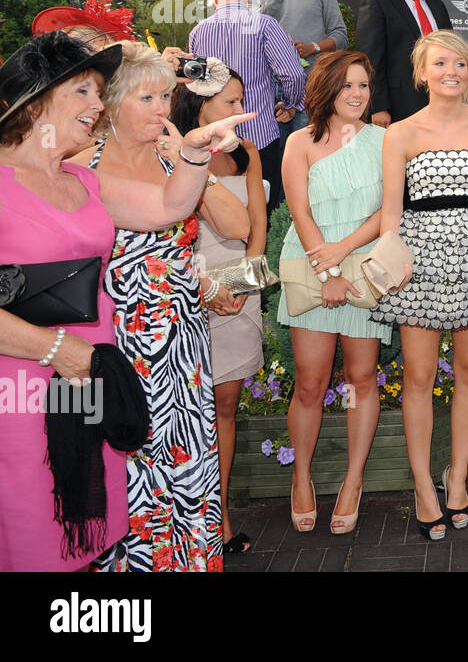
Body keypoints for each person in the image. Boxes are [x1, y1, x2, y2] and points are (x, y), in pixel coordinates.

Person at [0, 31, 249, 572]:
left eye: (100, 92)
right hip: (24, 387)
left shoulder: (82, 183)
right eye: (84, 93)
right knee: (33, 526)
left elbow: (167, 205)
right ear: (36, 102)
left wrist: (191, 151)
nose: (97, 104)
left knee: (90, 522)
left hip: (97, 379)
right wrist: (57, 351)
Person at [74, 40, 254, 571]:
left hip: (181, 341)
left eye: (166, 97)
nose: (162, 109)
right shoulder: (79, 165)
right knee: (123, 464)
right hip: (115, 341)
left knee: (185, 461)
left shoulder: (171, 157)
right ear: (113, 104)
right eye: (149, 98)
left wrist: (186, 160)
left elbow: (238, 227)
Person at [374, 30, 468, 541]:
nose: (452, 72)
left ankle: (456, 477)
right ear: (422, 73)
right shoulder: (402, 133)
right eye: (440, 64)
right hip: (419, 262)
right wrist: (391, 266)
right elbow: (391, 213)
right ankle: (422, 485)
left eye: (460, 64)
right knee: (417, 378)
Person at [277, 51, 387, 536]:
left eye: (363, 85)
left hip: (365, 265)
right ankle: (300, 477)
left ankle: (353, 480)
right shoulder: (299, 142)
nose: (358, 95)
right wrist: (327, 272)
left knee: (361, 378)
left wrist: (344, 255)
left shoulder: (386, 140)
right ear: (326, 90)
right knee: (310, 382)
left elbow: (391, 211)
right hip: (310, 264)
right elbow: (299, 213)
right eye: (348, 86)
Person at [171, 67, 268, 556]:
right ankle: (181, 515)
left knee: (223, 406)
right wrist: (202, 287)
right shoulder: (170, 152)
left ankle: (221, 514)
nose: (236, 111)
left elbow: (256, 229)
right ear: (199, 106)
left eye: (240, 100)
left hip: (236, 287)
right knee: (182, 409)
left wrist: (245, 287)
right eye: (228, 102)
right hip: (183, 281)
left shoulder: (245, 151)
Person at [185, 0, 306, 209]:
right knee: (262, 209)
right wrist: (291, 105)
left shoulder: (198, 31)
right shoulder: (264, 24)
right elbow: (292, 73)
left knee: (221, 209)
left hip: (214, 139)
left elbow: (195, 86)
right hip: (259, 136)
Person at [249, 0, 348, 137]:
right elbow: (252, 38)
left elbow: (341, 37)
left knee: (309, 152)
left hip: (312, 85)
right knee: (273, 159)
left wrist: (313, 47)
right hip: (266, 90)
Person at [355, 0, 453, 127]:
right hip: (397, 104)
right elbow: (369, 59)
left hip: (439, 100)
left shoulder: (437, 6)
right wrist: (377, 105)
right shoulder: (376, 2)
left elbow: (451, 51)